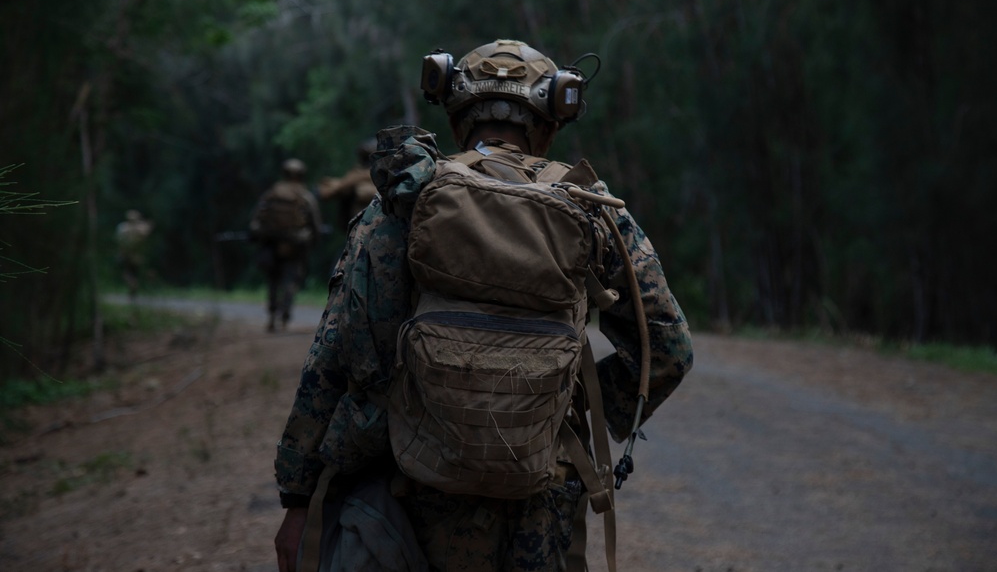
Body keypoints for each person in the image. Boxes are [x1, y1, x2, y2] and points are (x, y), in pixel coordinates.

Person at [273, 40, 694, 571]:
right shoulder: (591, 210)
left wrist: (297, 496)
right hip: (545, 487)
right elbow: (670, 349)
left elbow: (335, 356)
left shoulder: (405, 204)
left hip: (416, 481)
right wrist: (552, 404)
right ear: (550, 122)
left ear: (454, 117)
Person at [250, 158, 323, 332]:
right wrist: (314, 242)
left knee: (273, 280)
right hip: (295, 246)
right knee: (291, 280)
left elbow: (256, 218)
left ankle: (272, 315)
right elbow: (315, 224)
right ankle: (285, 315)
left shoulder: (271, 193)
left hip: (272, 243)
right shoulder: (305, 196)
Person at [316, 138, 379, 231]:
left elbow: (330, 191)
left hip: (368, 226)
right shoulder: (359, 174)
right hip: (360, 227)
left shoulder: (363, 175)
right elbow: (326, 193)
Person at [115, 209, 154, 302]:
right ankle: (133, 287)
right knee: (134, 273)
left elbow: (119, 240)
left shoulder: (123, 228)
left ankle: (132, 285)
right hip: (137, 255)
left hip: (126, 254)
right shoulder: (141, 229)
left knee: (126, 272)